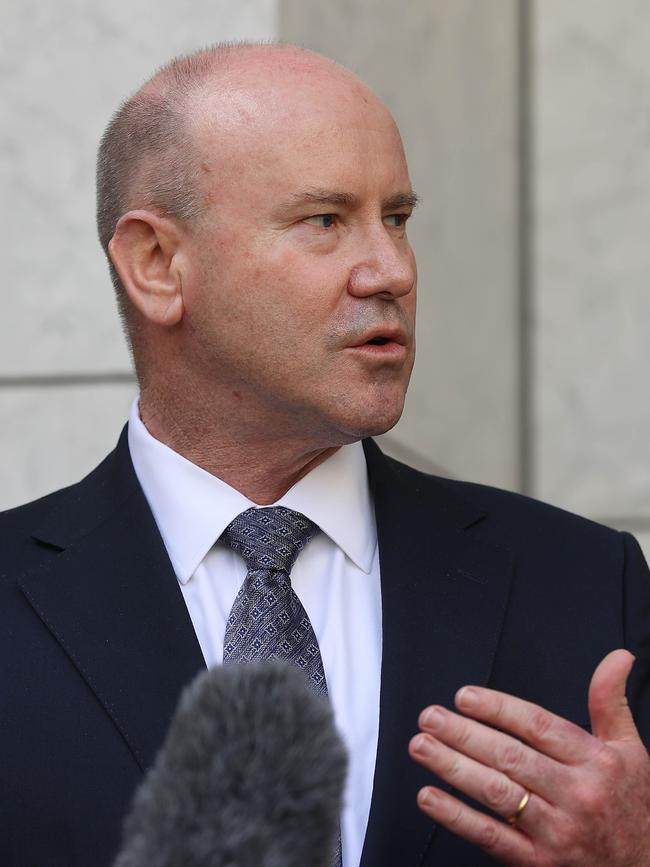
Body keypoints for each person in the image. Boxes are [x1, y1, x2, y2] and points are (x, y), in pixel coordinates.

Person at [1, 42, 649, 867]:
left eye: (398, 219)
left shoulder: (586, 588)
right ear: (158, 265)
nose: (391, 270)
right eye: (325, 221)